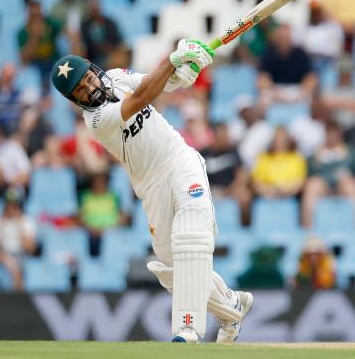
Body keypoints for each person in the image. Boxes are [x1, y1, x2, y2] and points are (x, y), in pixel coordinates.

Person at [50, 40, 252, 343]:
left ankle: (188, 328)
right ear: (74, 100)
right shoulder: (95, 120)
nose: (89, 88)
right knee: (171, 264)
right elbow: (143, 96)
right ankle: (230, 307)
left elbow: (151, 83)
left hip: (179, 158)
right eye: (80, 90)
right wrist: (172, 62)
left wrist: (182, 72)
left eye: (88, 78)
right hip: (150, 184)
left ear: (94, 69)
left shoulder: (117, 76)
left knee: (191, 235)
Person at [301, 120, 355, 227]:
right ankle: (308, 230)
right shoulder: (315, 155)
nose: (332, 136)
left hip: (344, 187)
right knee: (312, 185)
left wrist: (346, 178)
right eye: (329, 132)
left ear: (340, 134)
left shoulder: (351, 153)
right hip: (323, 187)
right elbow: (309, 175)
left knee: (351, 185)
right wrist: (317, 161)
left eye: (335, 132)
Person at [200, 123, 251, 226]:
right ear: (215, 136)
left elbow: (241, 175)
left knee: (245, 196)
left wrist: (231, 189)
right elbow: (196, 178)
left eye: (227, 135)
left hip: (230, 190)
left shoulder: (233, 152)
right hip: (210, 191)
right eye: (223, 135)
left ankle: (243, 229)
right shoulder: (203, 154)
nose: (226, 138)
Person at [258, 23, 317, 107]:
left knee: (310, 100)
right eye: (281, 37)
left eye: (286, 37)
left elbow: (310, 77)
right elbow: (263, 78)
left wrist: (302, 92)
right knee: (263, 100)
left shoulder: (301, 54)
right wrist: (273, 91)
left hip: (296, 89)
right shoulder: (269, 53)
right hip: (275, 89)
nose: (284, 40)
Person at [252, 127, 306, 199]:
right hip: (266, 197)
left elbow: (299, 183)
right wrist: (271, 190)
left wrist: (284, 190)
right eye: (277, 138)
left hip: (290, 197)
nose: (279, 141)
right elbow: (256, 182)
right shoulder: (263, 157)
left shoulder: (297, 158)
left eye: (282, 139)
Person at [18, 0, 61, 91]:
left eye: (39, 16)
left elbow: (66, 32)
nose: (37, 20)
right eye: (34, 16)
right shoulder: (22, 33)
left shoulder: (50, 24)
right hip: (35, 65)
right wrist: (34, 37)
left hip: (53, 62)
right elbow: (24, 59)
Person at [79, 171, 125, 256]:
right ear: (92, 183)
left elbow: (121, 216)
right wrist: (91, 229)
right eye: (97, 182)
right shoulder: (85, 196)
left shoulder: (113, 196)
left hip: (111, 232)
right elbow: (80, 217)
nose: (99, 184)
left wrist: (109, 229)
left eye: (102, 182)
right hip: (91, 233)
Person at [81, 0, 125, 69]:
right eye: (91, 6)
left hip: (111, 54)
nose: (94, 8)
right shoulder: (85, 25)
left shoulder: (110, 23)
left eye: (95, 5)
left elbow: (119, 42)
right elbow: (83, 44)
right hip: (93, 57)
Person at [0, 63, 22, 135]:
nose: (8, 80)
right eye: (5, 77)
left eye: (10, 77)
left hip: (15, 133)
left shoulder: (19, 95)